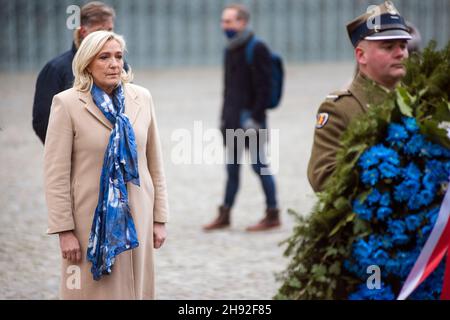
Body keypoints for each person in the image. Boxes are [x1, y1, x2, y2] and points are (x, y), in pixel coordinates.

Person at [44, 31, 169, 299]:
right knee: (92, 291)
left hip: (139, 216)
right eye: (104, 57)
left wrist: (159, 218)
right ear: (87, 62)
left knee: (136, 289)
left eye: (118, 56)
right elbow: (55, 173)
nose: (114, 64)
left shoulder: (142, 98)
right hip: (89, 221)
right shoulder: (66, 103)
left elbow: (154, 164)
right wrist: (64, 231)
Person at [307, 1, 412, 193]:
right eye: (388, 47)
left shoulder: (419, 100)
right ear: (361, 55)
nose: (400, 54)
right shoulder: (341, 109)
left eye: (403, 45)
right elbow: (323, 177)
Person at [203, 4, 280, 232]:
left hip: (251, 121)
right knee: (232, 169)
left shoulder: (257, 48)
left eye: (229, 21)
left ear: (242, 23)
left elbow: (264, 89)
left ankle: (273, 213)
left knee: (260, 166)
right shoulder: (230, 49)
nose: (224, 26)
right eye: (223, 21)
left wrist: (255, 119)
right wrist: (224, 119)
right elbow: (229, 90)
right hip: (233, 120)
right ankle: (225, 214)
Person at [32, 1, 125, 144]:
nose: (107, 36)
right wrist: (73, 151)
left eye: (110, 30)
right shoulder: (56, 69)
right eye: (101, 31)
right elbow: (43, 121)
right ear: (83, 32)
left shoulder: (120, 66)